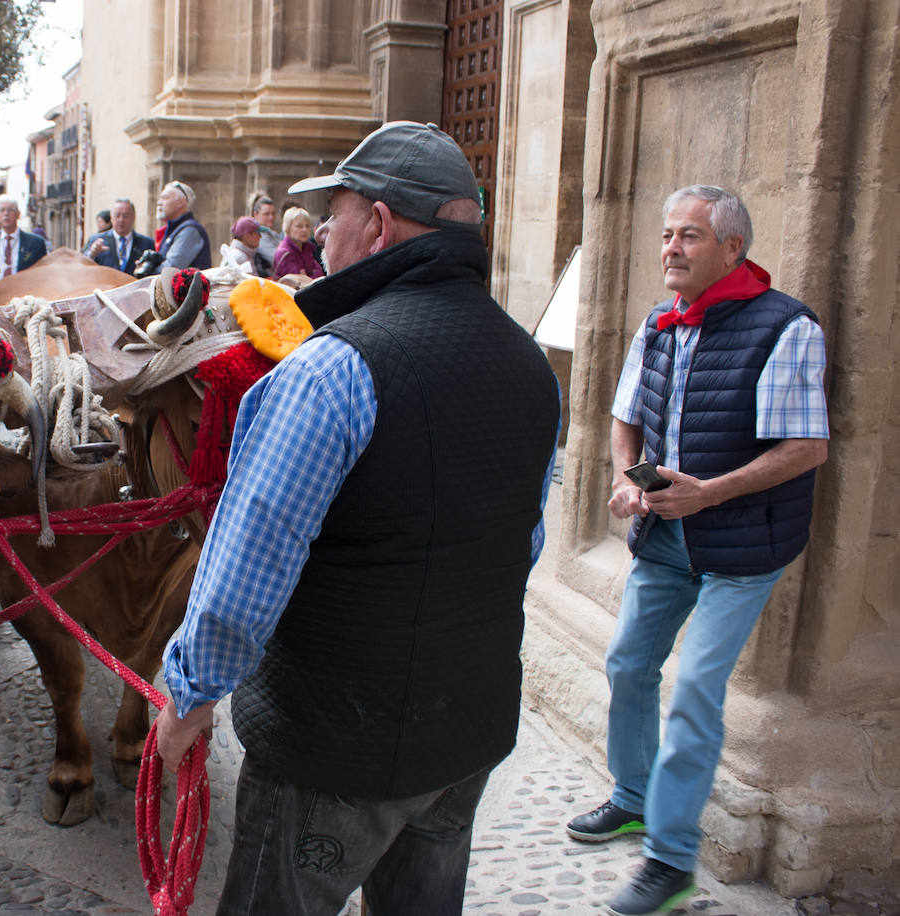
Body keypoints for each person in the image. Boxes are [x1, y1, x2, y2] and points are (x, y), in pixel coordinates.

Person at [155, 121, 560, 915]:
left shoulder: (331, 367)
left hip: (334, 741)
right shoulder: (529, 362)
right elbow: (525, 537)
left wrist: (188, 696)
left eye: (333, 213)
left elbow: (250, 561)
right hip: (466, 727)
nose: (322, 233)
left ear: (377, 224)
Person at [565, 185, 829, 916]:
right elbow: (625, 418)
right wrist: (628, 478)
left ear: (732, 249)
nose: (670, 249)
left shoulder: (786, 327)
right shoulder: (659, 322)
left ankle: (671, 861)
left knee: (696, 697)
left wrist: (709, 493)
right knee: (628, 664)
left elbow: (807, 447)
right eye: (666, 234)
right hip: (665, 537)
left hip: (742, 547)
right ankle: (633, 798)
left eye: (688, 236)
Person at [84, 198, 154, 274]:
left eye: (126, 216)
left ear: (133, 217)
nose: (121, 220)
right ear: (111, 218)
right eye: (117, 215)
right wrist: (92, 254)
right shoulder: (96, 240)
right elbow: (83, 267)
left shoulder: (147, 243)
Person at [155, 180, 211, 270]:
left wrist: (149, 270)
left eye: (165, 198)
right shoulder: (174, 229)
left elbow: (170, 270)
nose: (159, 202)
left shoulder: (190, 230)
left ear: (180, 203)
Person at [0, 196, 46, 284]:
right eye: (2, 210)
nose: (6, 213)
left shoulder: (36, 243)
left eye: (10, 210)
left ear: (18, 214)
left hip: (22, 293)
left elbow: (41, 275)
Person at [271, 205, 325, 283]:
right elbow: (299, 285)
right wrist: (310, 277)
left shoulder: (307, 248)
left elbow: (320, 274)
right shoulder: (284, 252)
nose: (304, 229)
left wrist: (307, 277)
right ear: (288, 228)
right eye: (299, 226)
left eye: (307, 226)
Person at [249, 192, 282, 269]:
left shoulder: (273, 233)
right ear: (255, 214)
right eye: (266, 214)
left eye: (273, 214)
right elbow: (278, 259)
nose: (271, 217)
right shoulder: (256, 236)